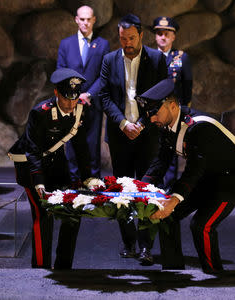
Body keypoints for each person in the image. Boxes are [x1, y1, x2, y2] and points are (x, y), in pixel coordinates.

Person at [135, 79, 235, 273]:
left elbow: (194, 170)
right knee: (168, 215)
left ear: (172, 106)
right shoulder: (168, 125)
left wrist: (173, 200)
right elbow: (161, 161)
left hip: (229, 181)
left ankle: (215, 275)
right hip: (207, 177)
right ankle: (173, 271)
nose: (152, 119)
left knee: (201, 225)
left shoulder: (199, 127)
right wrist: (138, 187)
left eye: (155, 112)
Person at [99, 14, 167, 265]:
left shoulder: (157, 59)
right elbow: (105, 96)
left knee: (147, 190)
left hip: (147, 135)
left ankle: (146, 246)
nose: (126, 43)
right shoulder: (109, 60)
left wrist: (140, 124)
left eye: (130, 38)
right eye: (122, 39)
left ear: (141, 36)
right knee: (123, 191)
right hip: (120, 135)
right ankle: (128, 243)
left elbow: (161, 95)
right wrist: (123, 123)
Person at [8, 68, 92, 269]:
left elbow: (81, 147)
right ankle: (40, 267)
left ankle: (64, 267)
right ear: (56, 93)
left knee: (73, 211)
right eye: (66, 98)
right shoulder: (40, 113)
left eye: (74, 98)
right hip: (30, 166)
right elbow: (33, 150)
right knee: (43, 215)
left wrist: (88, 178)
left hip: (56, 164)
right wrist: (39, 182)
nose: (71, 104)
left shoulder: (79, 109)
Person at [57, 5, 110, 181]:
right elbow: (60, 72)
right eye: (82, 19)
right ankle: (73, 188)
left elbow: (105, 75)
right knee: (71, 146)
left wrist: (89, 94)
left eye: (89, 19)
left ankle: (93, 188)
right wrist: (73, 95)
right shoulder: (66, 44)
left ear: (94, 20)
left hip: (92, 104)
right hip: (71, 104)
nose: (85, 23)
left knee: (92, 147)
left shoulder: (103, 44)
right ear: (76, 20)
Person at [153, 16, 193, 191]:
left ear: (173, 36)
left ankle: (169, 189)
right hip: (153, 112)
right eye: (160, 33)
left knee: (171, 151)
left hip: (173, 114)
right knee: (153, 150)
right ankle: (152, 187)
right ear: (155, 36)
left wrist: (184, 112)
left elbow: (187, 87)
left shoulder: (181, 58)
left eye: (167, 34)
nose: (163, 37)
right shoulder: (148, 56)